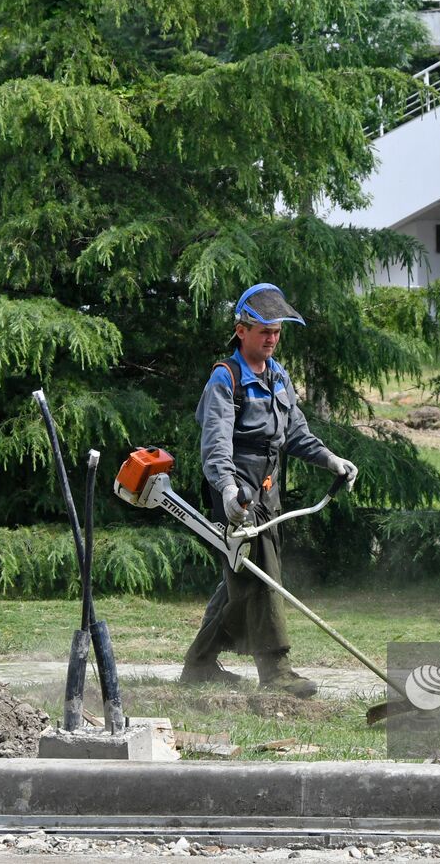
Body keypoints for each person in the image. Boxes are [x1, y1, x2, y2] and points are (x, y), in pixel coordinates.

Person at [179, 283, 358, 697]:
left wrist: (330, 459)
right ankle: (276, 670)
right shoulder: (225, 380)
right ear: (241, 330)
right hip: (237, 492)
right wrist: (226, 491)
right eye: (264, 332)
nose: (272, 339)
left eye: (277, 332)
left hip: (269, 488)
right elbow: (216, 446)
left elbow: (295, 433)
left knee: (241, 577)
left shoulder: (278, 375)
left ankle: (200, 663)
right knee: (263, 578)